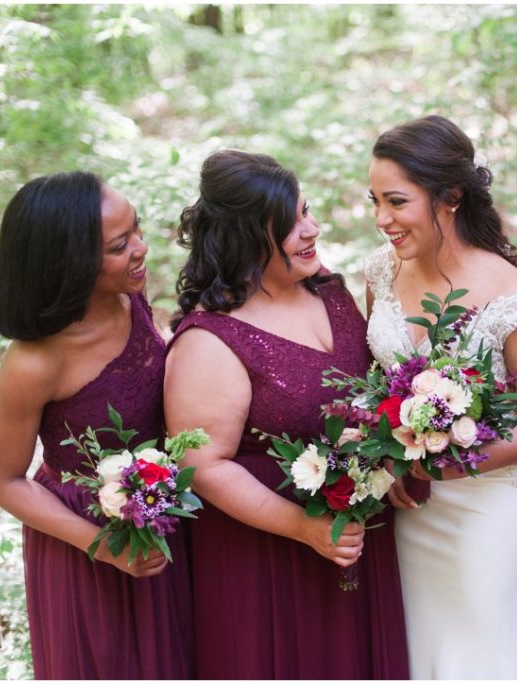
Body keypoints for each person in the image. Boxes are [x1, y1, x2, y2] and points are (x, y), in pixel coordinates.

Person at [163, 149, 408, 679]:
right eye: (292, 222)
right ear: (248, 236)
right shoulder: (211, 339)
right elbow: (204, 465)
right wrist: (305, 527)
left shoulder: (332, 291)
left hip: (356, 538)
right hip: (268, 560)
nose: (312, 229)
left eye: (308, 211)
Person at [364, 115, 517, 679]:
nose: (383, 219)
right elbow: (377, 386)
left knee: (487, 649)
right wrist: (388, 453)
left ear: (449, 196)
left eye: (397, 202)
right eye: (374, 200)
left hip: (491, 506)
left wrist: (445, 466)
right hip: (412, 506)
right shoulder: (379, 274)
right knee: (427, 646)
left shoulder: (511, 296)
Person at [0, 172, 194, 678]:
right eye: (121, 245)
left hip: (160, 516)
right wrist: (104, 547)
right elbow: (3, 480)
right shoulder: (35, 360)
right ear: (70, 261)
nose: (141, 248)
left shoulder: (128, 297)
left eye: (137, 230)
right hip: (85, 545)